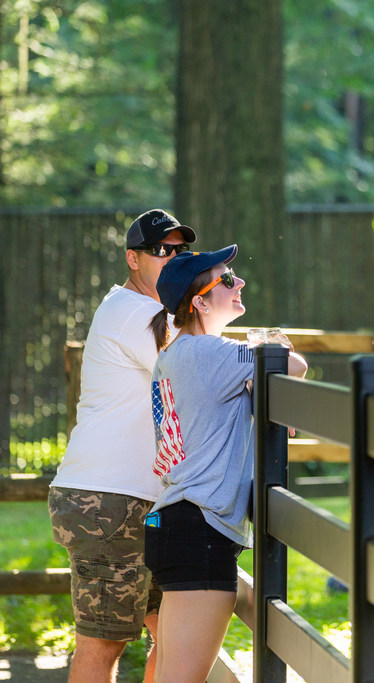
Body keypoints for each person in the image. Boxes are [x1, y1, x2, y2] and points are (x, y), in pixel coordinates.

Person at [143, 245, 307, 682]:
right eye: (228, 279)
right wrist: (267, 347)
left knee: (172, 675)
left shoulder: (177, 355)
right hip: (201, 533)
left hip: (177, 525)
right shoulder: (208, 355)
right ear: (199, 300)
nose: (241, 284)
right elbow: (292, 362)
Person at [49, 209, 197, 683]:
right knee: (103, 643)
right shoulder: (135, 312)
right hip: (105, 501)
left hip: (140, 501)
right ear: (133, 259)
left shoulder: (157, 313)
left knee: (174, 634)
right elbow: (201, 365)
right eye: (160, 250)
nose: (172, 257)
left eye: (180, 251)